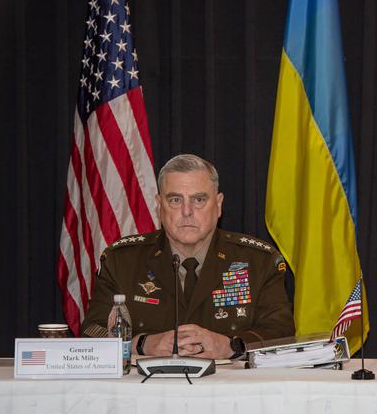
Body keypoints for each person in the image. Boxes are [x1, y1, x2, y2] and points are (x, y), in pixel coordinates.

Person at [82, 154, 295, 359]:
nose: (187, 211)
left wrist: (231, 346)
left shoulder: (258, 261)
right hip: (146, 391)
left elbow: (282, 333)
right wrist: (142, 343)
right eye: (175, 200)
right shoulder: (121, 261)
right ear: (158, 205)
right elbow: (91, 331)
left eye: (199, 199)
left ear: (219, 205)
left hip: (230, 391)